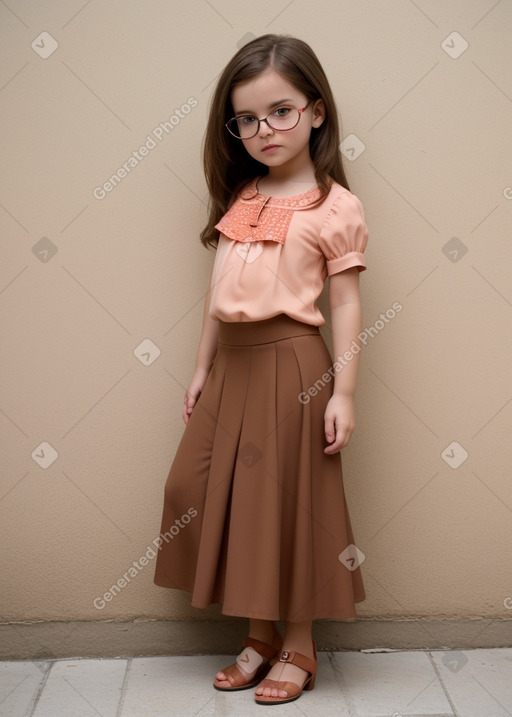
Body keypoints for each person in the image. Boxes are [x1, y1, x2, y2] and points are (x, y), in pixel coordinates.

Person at [154, 33, 368, 706]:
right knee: (196, 488)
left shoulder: (334, 206)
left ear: (316, 111)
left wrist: (346, 394)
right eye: (246, 118)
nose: (263, 129)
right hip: (231, 369)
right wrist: (199, 369)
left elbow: (345, 302)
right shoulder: (240, 196)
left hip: (294, 363)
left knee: (289, 503)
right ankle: (259, 633)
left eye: (280, 111)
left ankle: (294, 641)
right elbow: (218, 297)